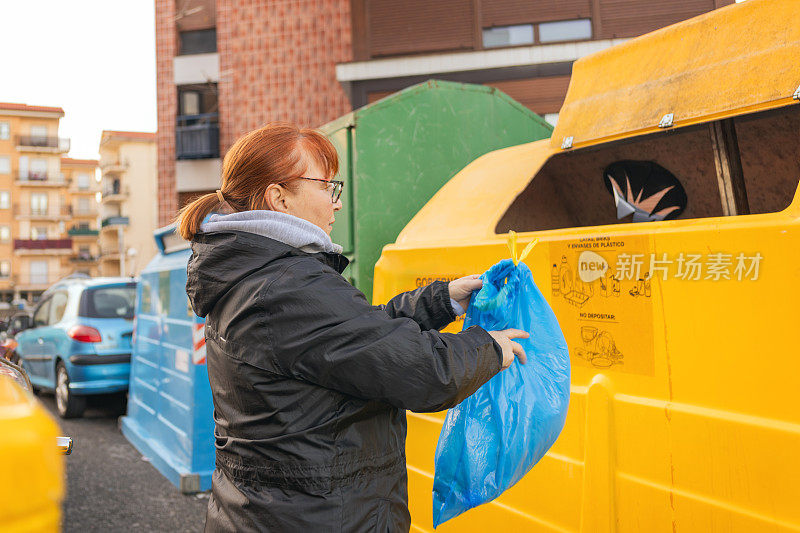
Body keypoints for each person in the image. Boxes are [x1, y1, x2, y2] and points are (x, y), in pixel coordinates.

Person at [178, 122, 528, 532]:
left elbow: (357, 338)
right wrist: (489, 347)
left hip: (276, 512)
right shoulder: (284, 286)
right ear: (279, 198)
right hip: (318, 516)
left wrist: (442, 301)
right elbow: (418, 370)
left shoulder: (258, 274)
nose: (335, 203)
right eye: (327, 186)